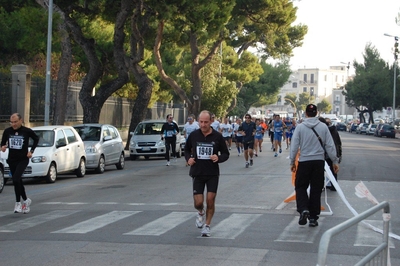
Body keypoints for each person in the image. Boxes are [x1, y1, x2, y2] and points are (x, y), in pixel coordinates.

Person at [289, 104, 339, 227]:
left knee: (300, 186)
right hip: (318, 162)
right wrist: (335, 161)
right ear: (317, 113)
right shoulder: (323, 127)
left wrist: (292, 162)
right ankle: (313, 217)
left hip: (304, 161)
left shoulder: (300, 127)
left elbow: (294, 146)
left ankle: (303, 208)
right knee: (316, 189)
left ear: (306, 113)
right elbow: (330, 145)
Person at [184, 110, 230, 237]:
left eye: (206, 122)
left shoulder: (217, 137)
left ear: (211, 121)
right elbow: (186, 149)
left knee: (210, 200)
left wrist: (218, 158)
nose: (203, 125)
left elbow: (226, 154)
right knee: (198, 203)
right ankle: (200, 212)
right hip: (197, 172)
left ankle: (207, 225)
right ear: (198, 121)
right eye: (201, 122)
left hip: (212, 173)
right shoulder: (193, 135)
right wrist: (188, 159)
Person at [1, 113, 39, 213]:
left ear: (20, 121)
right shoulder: (7, 131)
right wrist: (3, 147)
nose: (13, 124)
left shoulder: (26, 131)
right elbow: (3, 142)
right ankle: (26, 201)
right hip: (12, 159)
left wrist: (31, 151)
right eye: (11, 122)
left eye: (15, 122)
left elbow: (36, 139)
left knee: (16, 178)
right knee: (17, 181)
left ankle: (18, 203)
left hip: (23, 159)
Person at [324, 117, 342, 191]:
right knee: (333, 169)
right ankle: (334, 185)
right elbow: (338, 142)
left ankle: (326, 184)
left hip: (325, 153)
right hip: (333, 152)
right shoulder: (334, 130)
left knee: (324, 170)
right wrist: (339, 153)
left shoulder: (324, 130)